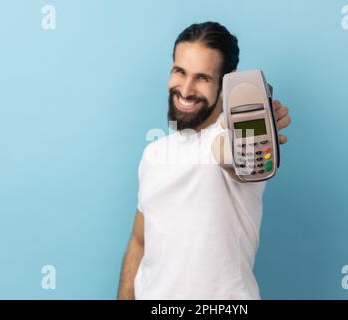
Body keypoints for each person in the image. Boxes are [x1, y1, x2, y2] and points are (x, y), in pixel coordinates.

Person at [118, 21, 291, 300]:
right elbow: (139, 242)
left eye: (202, 78)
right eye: (180, 71)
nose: (185, 89)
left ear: (226, 83)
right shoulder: (153, 154)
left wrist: (257, 121)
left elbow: (232, 155)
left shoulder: (226, 138)